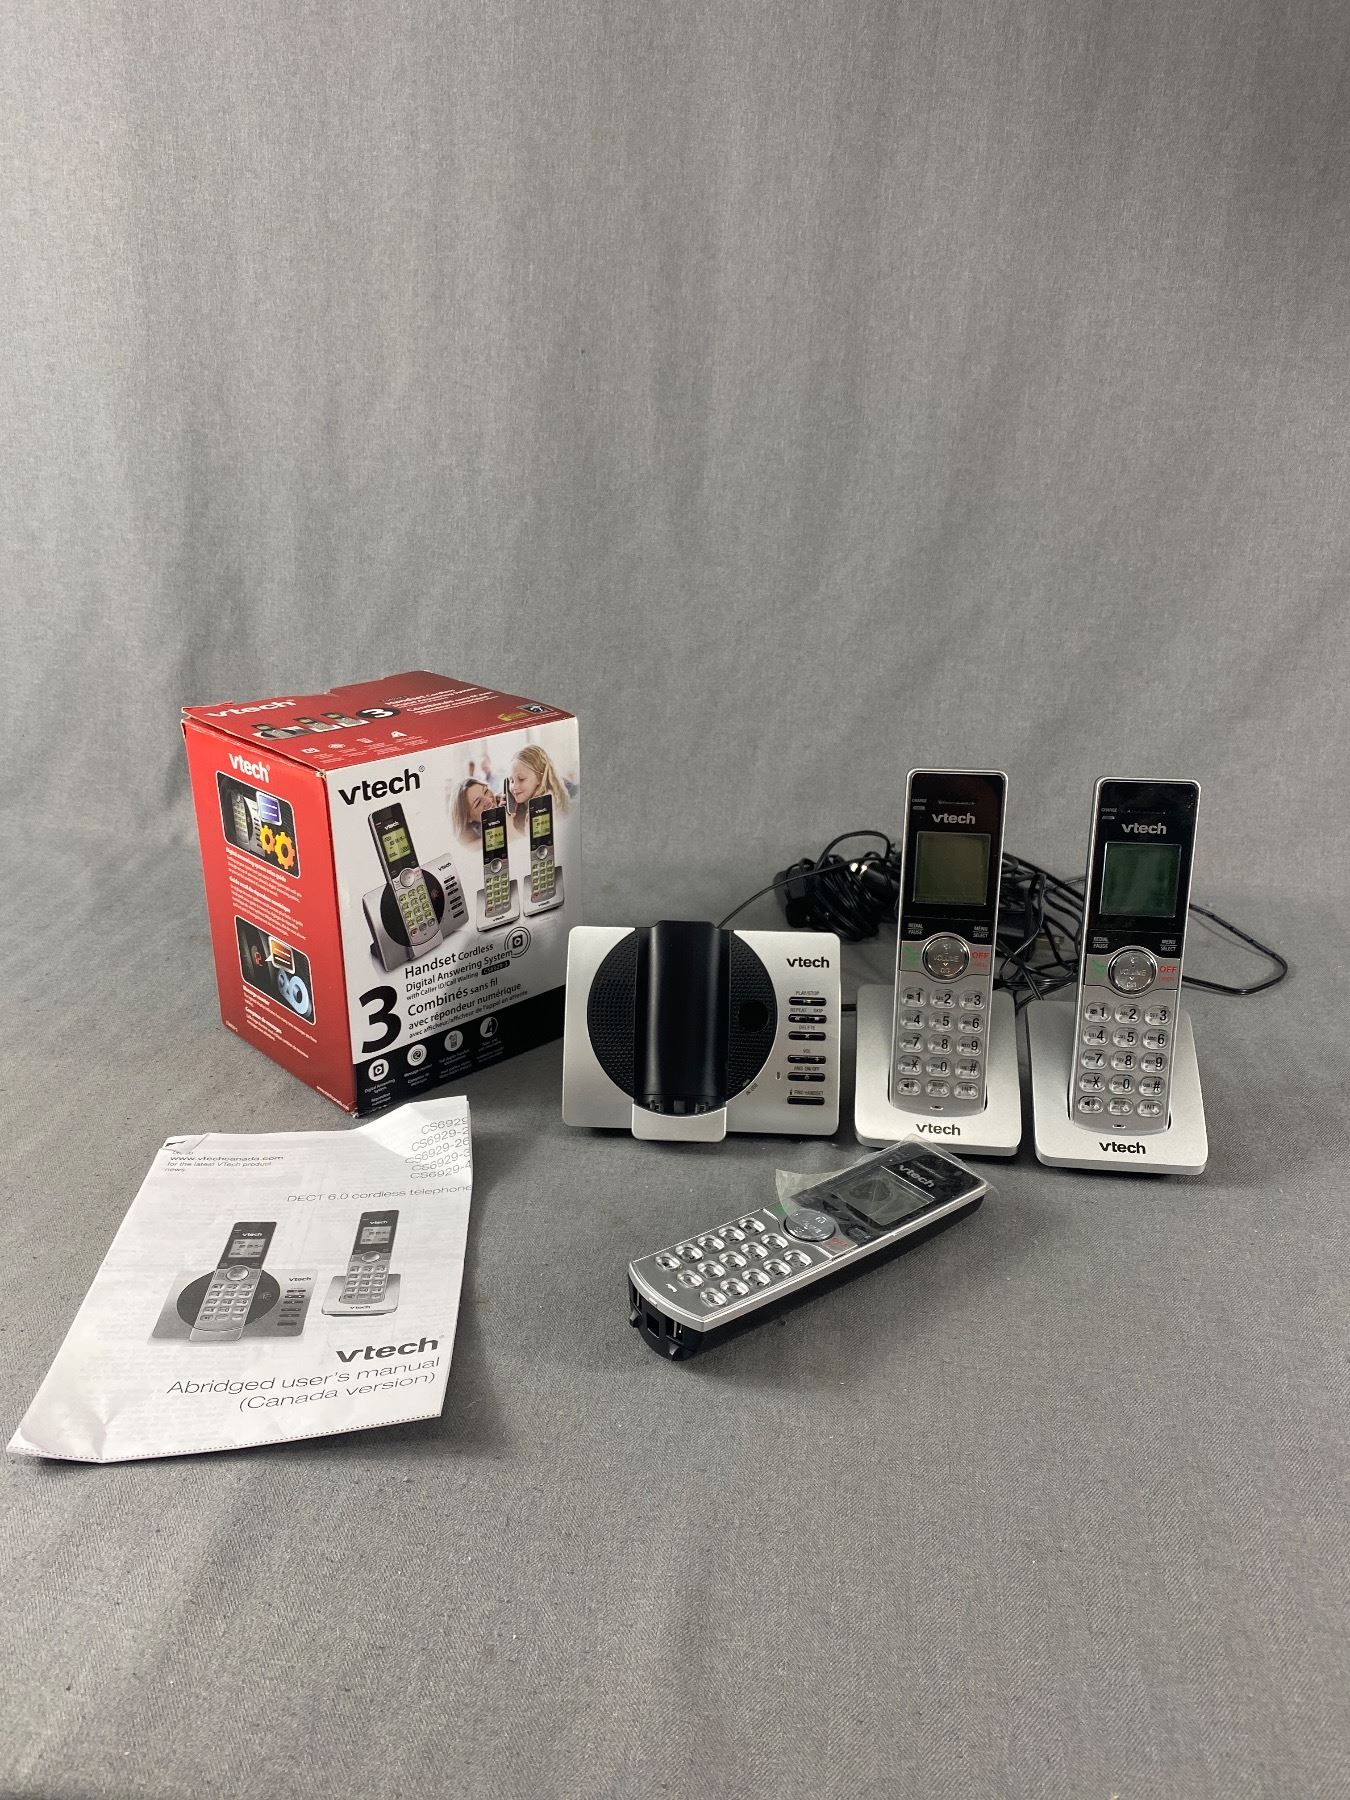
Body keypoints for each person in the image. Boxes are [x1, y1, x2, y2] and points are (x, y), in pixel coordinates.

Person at [507, 745, 572, 832]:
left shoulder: (542, 805)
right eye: (511, 780)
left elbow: (528, 839)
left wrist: (509, 825)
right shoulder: (526, 801)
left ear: (540, 777)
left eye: (521, 779)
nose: (514, 786)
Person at [450, 777, 502, 844]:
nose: (489, 800)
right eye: (478, 803)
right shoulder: (472, 843)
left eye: (486, 791)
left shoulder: (505, 800)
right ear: (468, 818)